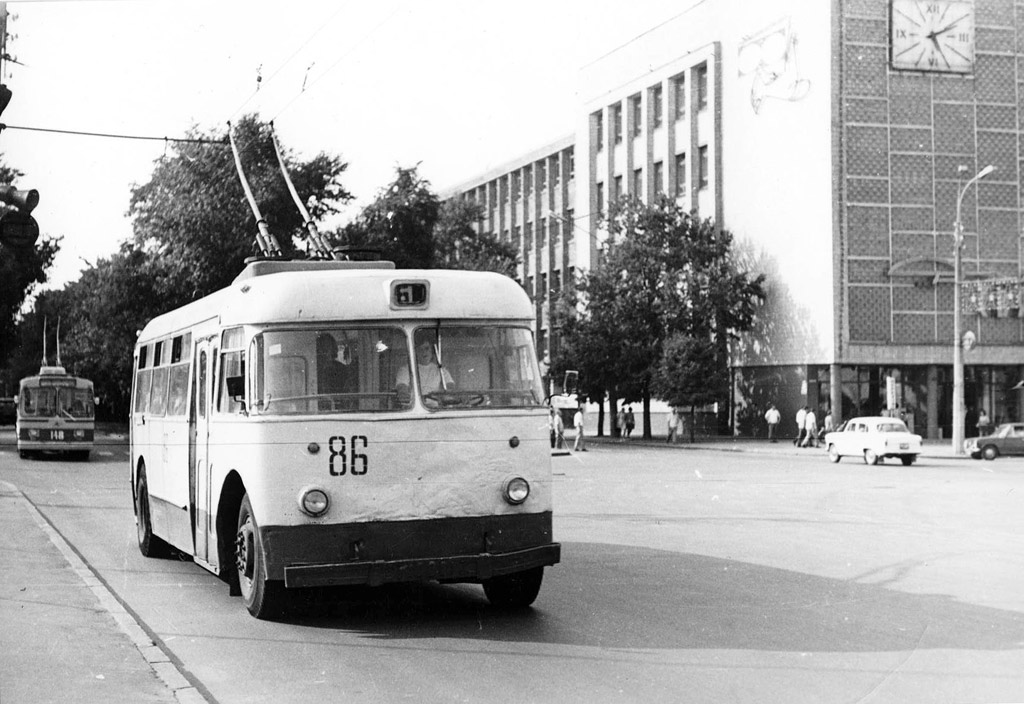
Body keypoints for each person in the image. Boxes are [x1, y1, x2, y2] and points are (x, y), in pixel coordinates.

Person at [396, 336, 454, 406]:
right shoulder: (405, 370)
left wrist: (444, 394)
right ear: (415, 352)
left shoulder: (441, 370)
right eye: (420, 349)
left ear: (432, 351)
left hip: (436, 410)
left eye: (427, 348)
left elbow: (450, 386)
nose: (424, 352)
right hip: (415, 410)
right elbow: (402, 388)